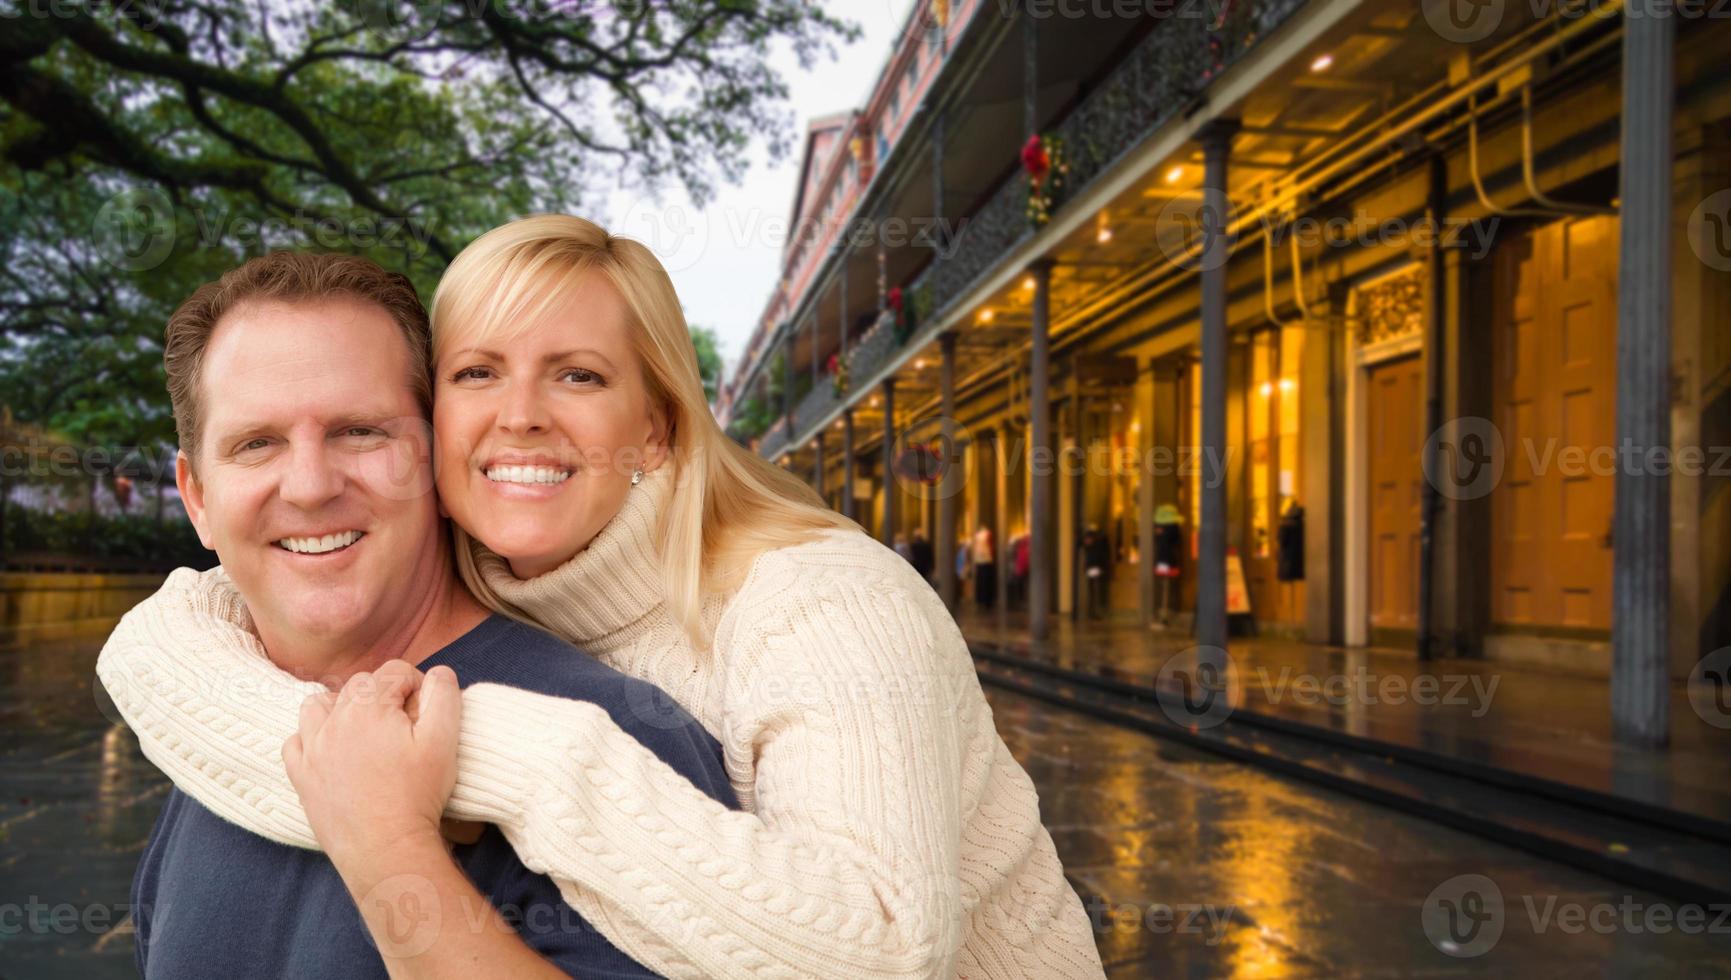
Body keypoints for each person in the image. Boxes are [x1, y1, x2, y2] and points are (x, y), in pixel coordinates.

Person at [99, 217, 1107, 979]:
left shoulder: (819, 606)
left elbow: (887, 947)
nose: (521, 416)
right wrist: (152, 654)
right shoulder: (496, 582)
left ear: (660, 425)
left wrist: (471, 781)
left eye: (578, 375)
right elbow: (173, 639)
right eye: (479, 371)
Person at [120, 252, 736, 978]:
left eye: (361, 432)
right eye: (257, 444)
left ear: (438, 459)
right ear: (197, 498)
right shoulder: (215, 730)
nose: (312, 485)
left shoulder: (619, 738)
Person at [1081, 523, 1111, 620]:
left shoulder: (1096, 546)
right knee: (1093, 589)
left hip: (1095, 567)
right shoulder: (1092, 547)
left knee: (1094, 589)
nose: (1087, 540)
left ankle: (1093, 611)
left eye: (1088, 539)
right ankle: (1092, 611)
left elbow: (1100, 557)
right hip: (1093, 567)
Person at [970, 523, 997, 610]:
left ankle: (981, 600)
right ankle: (987, 601)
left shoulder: (977, 535)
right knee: (987, 582)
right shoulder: (988, 534)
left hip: (978, 560)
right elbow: (991, 547)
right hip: (988, 559)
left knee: (981, 581)